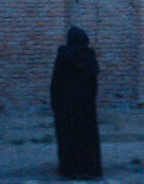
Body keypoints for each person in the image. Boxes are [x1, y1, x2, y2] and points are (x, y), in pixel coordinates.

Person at [51, 26, 103, 179]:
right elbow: (93, 84)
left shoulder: (63, 57)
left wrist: (56, 103)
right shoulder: (88, 57)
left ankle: (70, 168)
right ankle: (88, 169)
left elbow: (56, 83)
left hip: (66, 106)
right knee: (87, 138)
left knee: (68, 137)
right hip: (85, 107)